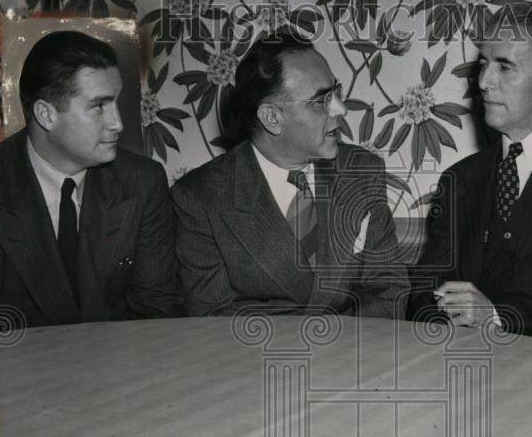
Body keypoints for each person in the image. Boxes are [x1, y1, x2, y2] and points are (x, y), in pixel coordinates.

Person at [0, 30, 182, 335]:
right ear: (46, 115)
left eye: (116, 103)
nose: (118, 123)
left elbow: (160, 312)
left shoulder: (143, 181)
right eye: (99, 106)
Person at [172, 30, 408, 318]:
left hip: (353, 352)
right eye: (322, 101)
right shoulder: (200, 198)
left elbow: (387, 291)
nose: (341, 109)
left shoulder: (361, 171)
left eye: (336, 92)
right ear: (272, 117)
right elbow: (212, 322)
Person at [408, 2, 532, 337]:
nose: (483, 82)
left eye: (504, 67)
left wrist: (495, 316)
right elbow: (424, 293)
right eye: (483, 65)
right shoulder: (459, 179)